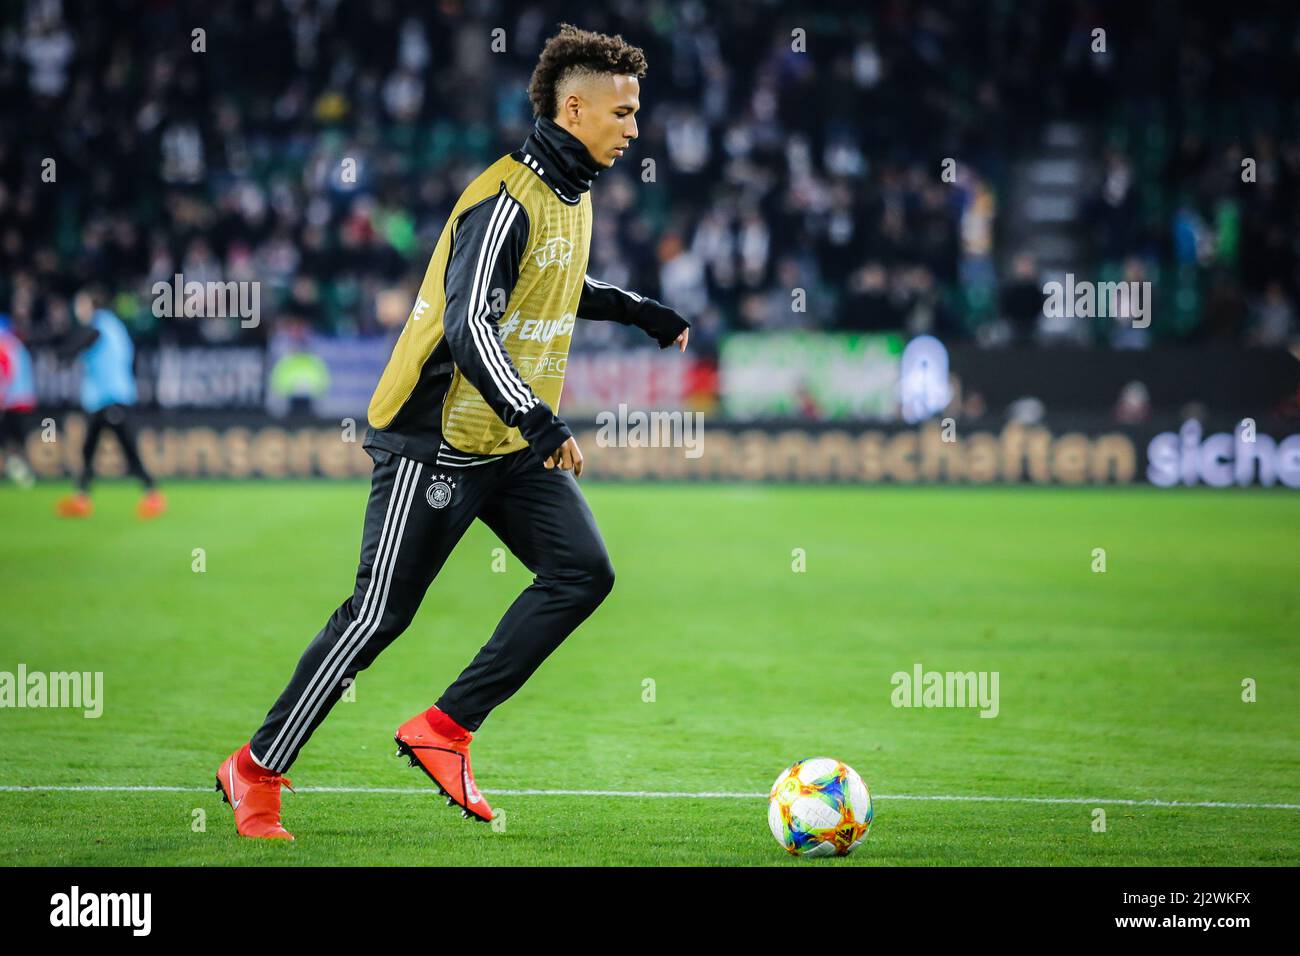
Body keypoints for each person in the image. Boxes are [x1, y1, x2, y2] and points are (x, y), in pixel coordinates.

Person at [217, 23, 690, 840]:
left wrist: (638, 311)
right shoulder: (503, 200)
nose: (635, 129)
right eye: (624, 112)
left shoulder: (571, 190)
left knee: (582, 572)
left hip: (504, 438)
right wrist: (541, 421)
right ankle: (255, 769)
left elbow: (556, 281)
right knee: (378, 617)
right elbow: (470, 324)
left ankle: (445, 728)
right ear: (574, 109)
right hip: (436, 435)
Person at [54, 286, 165, 519]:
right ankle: (83, 498)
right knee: (91, 448)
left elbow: (79, 343)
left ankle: (152, 495)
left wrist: (63, 354)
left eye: (81, 304)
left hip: (110, 398)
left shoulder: (98, 326)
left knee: (125, 449)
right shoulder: (114, 325)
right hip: (111, 398)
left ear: (90, 306)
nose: (78, 309)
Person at [0, 313, 37, 488]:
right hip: (25, 399)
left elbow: (6, 375)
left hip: (13, 401)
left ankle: (20, 471)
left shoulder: (5, 346)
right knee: (18, 439)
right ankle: (21, 470)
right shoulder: (17, 345)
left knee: (9, 439)